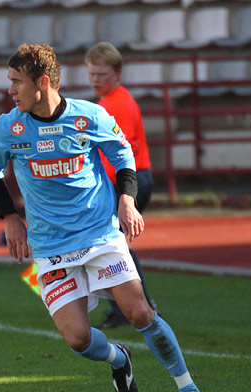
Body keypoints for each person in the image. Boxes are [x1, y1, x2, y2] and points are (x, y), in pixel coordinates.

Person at [0, 43, 209, 392]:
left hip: (100, 235)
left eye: (16, 82)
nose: (10, 90)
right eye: (10, 81)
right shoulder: (10, 127)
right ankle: (119, 359)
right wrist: (9, 216)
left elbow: (122, 154)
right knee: (78, 338)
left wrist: (127, 199)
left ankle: (190, 391)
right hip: (49, 247)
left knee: (140, 313)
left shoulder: (90, 117)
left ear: (43, 82)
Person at [85, 41, 158, 328]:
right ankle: (130, 306)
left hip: (131, 181)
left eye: (101, 75)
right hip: (134, 179)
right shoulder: (110, 100)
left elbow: (124, 148)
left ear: (117, 73)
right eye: (92, 75)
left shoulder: (117, 102)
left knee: (113, 244)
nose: (95, 81)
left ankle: (137, 306)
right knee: (112, 243)